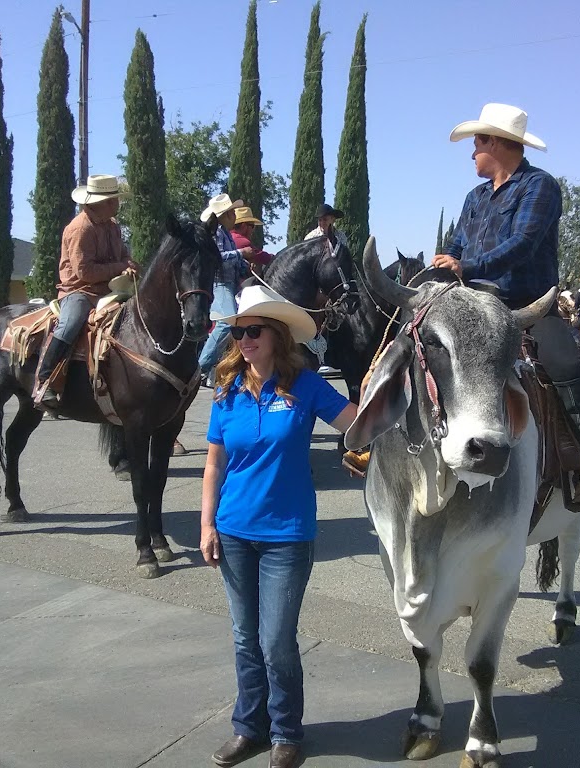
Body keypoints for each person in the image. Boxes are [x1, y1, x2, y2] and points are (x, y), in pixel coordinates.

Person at [201, 284, 357, 768]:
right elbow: (213, 464)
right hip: (233, 530)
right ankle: (249, 727)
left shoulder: (305, 386)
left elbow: (356, 423)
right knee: (245, 638)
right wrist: (206, 525)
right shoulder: (226, 392)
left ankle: (287, 731)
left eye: (252, 332)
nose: (243, 340)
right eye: (238, 333)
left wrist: (385, 417)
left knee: (275, 640)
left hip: (287, 535)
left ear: (276, 336)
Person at [430, 102, 580, 506]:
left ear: (497, 142)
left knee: (566, 364)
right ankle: (384, 440)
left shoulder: (539, 186)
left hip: (527, 308)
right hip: (474, 308)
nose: (472, 152)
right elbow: (457, 243)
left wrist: (467, 264)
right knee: (414, 346)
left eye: (477, 143)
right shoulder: (475, 196)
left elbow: (524, 244)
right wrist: (445, 260)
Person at [35, 174, 136, 407]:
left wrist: (129, 265)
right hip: (79, 291)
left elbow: (122, 256)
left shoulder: (113, 227)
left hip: (110, 290)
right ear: (100, 202)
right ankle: (45, 380)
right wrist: (121, 266)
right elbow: (85, 272)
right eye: (113, 200)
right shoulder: (80, 228)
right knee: (70, 323)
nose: (117, 204)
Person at [198, 194, 254, 385]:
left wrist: (244, 265)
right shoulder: (216, 233)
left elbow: (230, 260)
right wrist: (241, 253)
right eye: (231, 212)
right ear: (225, 215)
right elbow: (216, 257)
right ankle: (201, 366)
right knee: (228, 321)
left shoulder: (226, 234)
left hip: (230, 283)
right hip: (219, 283)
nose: (234, 216)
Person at [231, 206, 274, 272]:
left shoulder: (228, 236)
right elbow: (263, 257)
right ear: (243, 226)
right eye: (252, 226)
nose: (253, 230)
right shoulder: (242, 241)